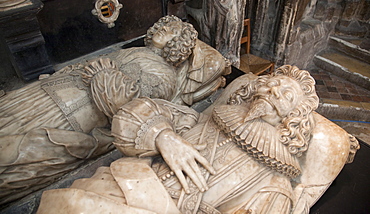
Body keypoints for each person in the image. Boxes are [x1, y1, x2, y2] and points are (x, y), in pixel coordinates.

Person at [37, 65, 359, 213]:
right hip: (129, 181)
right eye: (271, 82)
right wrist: (165, 138)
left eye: (285, 94)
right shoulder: (207, 118)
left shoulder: (273, 183)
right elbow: (137, 112)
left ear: (294, 115)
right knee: (67, 203)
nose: (272, 89)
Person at [0, 16, 230, 205]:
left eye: (172, 29)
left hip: (69, 114)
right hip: (47, 94)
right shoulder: (136, 51)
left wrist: (102, 73)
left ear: (179, 43)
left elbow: (128, 108)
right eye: (164, 24)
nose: (163, 28)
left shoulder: (164, 75)